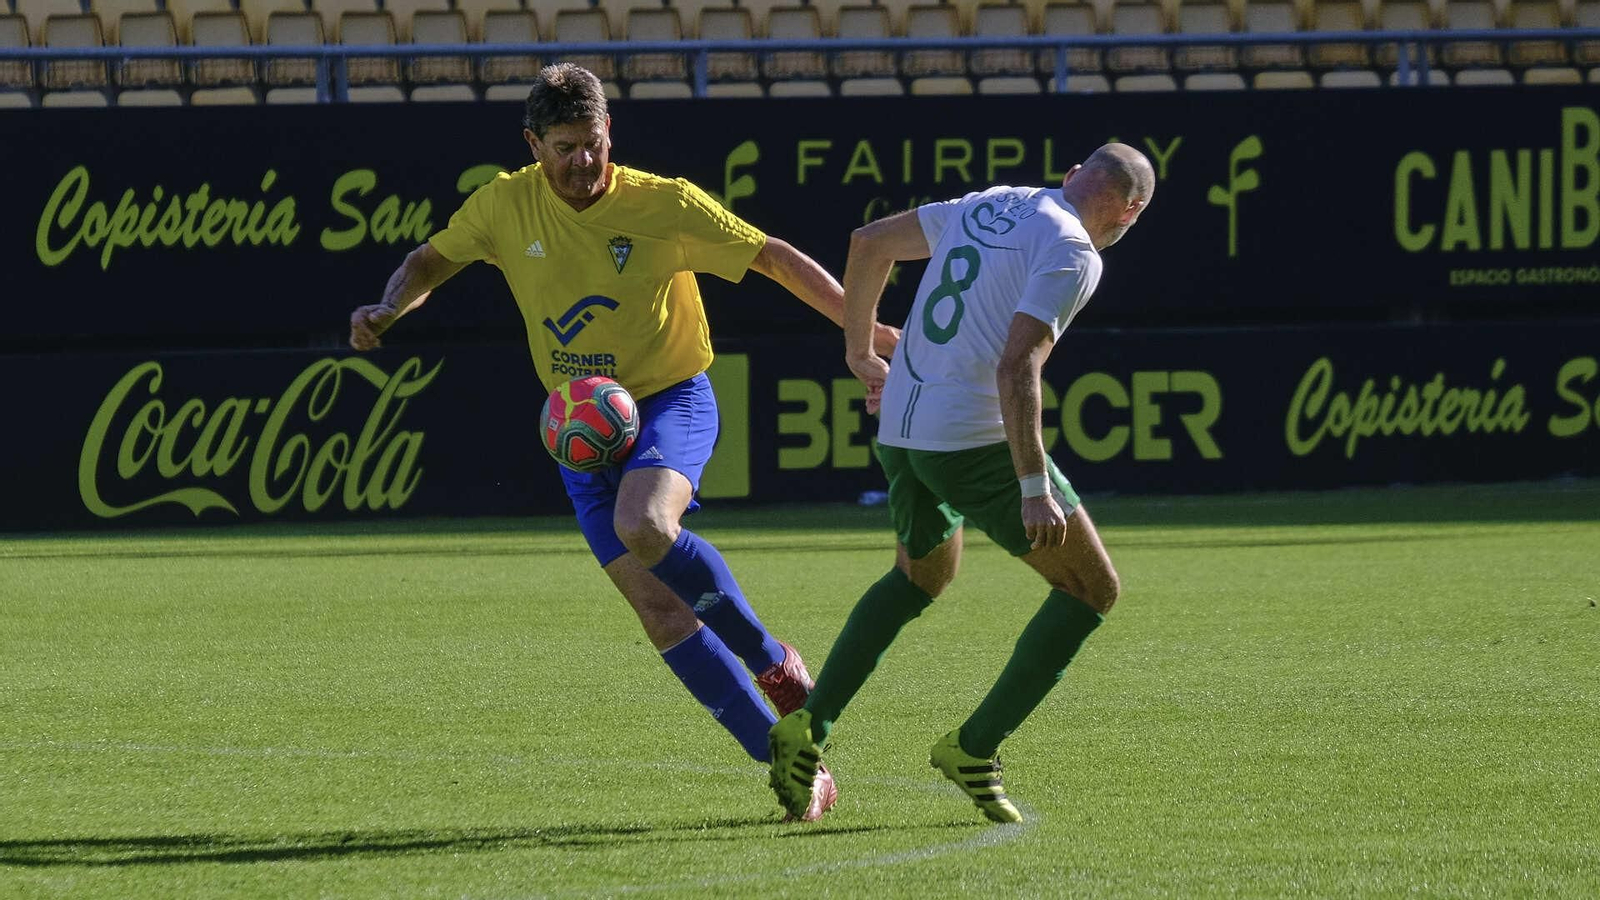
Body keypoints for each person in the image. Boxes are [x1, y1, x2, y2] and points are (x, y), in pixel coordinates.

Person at [348, 63, 898, 822]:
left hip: (672, 397)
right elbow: (430, 261)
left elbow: (771, 255)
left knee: (644, 526)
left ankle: (772, 662)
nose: (582, 162)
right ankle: (788, 761)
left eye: (594, 143)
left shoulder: (663, 203)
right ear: (532, 143)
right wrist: (388, 307)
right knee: (661, 612)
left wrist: (865, 334)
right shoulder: (504, 204)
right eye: (565, 146)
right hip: (580, 428)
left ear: (613, 135)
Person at [768, 144, 1155, 824]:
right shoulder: (1075, 252)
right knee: (1091, 589)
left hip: (901, 430)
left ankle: (809, 725)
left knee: (920, 577)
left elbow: (868, 243)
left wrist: (860, 350)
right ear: (1131, 211)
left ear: (1070, 176)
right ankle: (974, 748)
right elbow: (1016, 368)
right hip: (966, 442)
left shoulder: (993, 201)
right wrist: (1033, 483)